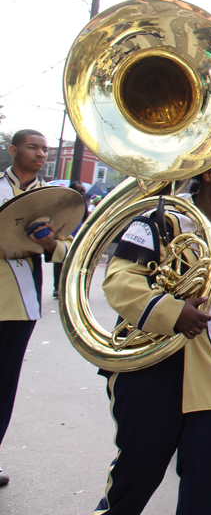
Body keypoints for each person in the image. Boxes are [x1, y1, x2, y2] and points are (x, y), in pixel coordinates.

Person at [94, 141, 211, 514]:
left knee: (204, 492)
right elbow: (121, 280)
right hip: (155, 372)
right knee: (132, 482)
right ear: (207, 173)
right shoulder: (161, 218)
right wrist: (170, 311)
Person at [0, 129, 73, 487]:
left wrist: (48, 244)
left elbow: (68, 251)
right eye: (33, 147)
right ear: (14, 150)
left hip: (20, 305)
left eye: (45, 149)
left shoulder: (51, 200)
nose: (42, 154)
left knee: (4, 385)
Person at [53, 180, 87, 299]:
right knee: (60, 261)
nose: (83, 193)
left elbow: (86, 220)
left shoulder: (83, 204)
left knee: (74, 263)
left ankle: (68, 287)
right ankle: (57, 287)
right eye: (80, 191)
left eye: (84, 191)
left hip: (77, 236)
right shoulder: (64, 203)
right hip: (64, 235)